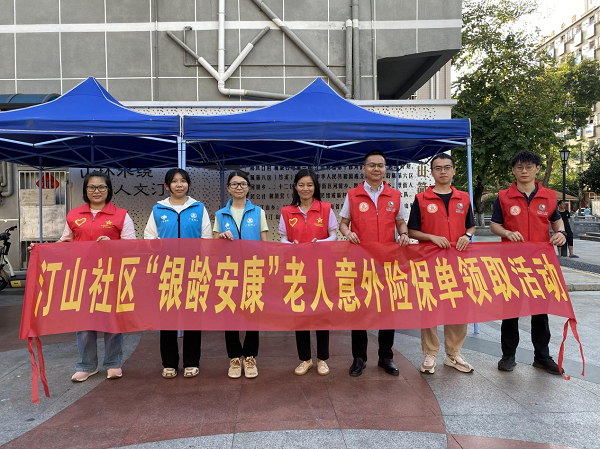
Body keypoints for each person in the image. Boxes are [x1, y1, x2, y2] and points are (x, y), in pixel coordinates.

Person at [490, 151, 567, 375]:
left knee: (540, 311)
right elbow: (495, 224)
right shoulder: (503, 197)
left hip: (540, 264)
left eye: (529, 167)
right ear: (513, 170)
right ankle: (508, 356)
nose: (524, 171)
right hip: (511, 263)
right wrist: (507, 232)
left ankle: (542, 357)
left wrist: (561, 233)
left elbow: (556, 221)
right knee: (510, 310)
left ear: (537, 169)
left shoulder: (548, 196)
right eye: (519, 167)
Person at [58, 171, 136, 382]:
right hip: (82, 276)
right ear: (85, 190)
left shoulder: (121, 215)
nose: (97, 191)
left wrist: (113, 245)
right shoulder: (74, 215)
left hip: (112, 276)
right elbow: (64, 243)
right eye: (91, 187)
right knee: (84, 324)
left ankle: (113, 363)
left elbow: (131, 246)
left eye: (101, 187)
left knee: (112, 322)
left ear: (109, 189)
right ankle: (87, 365)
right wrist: (40, 250)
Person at [339, 150, 410, 377]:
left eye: (380, 165)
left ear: (385, 168)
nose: (376, 169)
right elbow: (343, 223)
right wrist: (348, 233)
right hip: (360, 262)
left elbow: (400, 222)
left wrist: (404, 234)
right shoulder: (353, 195)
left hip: (388, 262)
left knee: (387, 310)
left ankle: (386, 356)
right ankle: (359, 357)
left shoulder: (395, 195)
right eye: (372, 165)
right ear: (364, 168)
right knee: (359, 309)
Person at [408, 154, 475, 375]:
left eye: (447, 167)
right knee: (430, 306)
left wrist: (467, 235)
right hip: (429, 261)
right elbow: (412, 231)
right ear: (432, 172)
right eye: (438, 168)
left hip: (458, 262)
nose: (443, 171)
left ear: (454, 171)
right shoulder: (421, 199)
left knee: (458, 306)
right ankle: (430, 353)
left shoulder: (463, 198)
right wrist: (431, 237)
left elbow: (471, 226)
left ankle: (453, 354)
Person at [144, 168, 212, 379]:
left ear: (189, 185)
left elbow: (207, 240)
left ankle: (192, 362)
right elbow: (149, 239)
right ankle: (169, 363)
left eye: (183, 181)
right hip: (167, 271)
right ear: (167, 186)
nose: (179, 184)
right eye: (174, 181)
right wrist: (160, 249)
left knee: (193, 318)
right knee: (167, 319)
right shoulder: (158, 209)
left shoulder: (199, 208)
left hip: (193, 271)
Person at [279, 169, 338, 376]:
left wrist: (319, 243)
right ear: (295, 187)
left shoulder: (326, 208)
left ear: (315, 187)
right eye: (301, 185)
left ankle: (322, 359)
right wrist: (291, 245)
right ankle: (305, 359)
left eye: (310, 185)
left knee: (321, 312)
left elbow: (333, 235)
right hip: (297, 269)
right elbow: (283, 238)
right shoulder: (287, 211)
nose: (306, 188)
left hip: (321, 268)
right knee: (300, 313)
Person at [214, 170, 268, 379]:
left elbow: (264, 243)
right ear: (228, 188)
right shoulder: (220, 214)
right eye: (235, 184)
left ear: (248, 187)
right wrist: (221, 237)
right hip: (228, 271)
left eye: (243, 184)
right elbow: (213, 244)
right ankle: (235, 358)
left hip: (253, 269)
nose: (239, 187)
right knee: (230, 314)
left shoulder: (258, 212)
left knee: (252, 312)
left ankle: (250, 357)